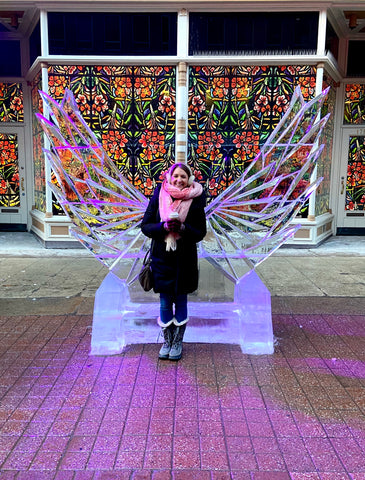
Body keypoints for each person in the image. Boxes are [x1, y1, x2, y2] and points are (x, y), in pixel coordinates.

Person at [141, 162, 207, 361]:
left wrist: (183, 228)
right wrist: (163, 226)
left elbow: (200, 232)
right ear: (170, 177)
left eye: (183, 177)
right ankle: (167, 341)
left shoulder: (196, 200)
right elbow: (145, 226)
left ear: (189, 180)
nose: (179, 180)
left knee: (181, 299)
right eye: (176, 176)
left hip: (185, 259)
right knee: (164, 301)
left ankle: (178, 342)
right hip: (162, 258)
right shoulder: (159, 195)